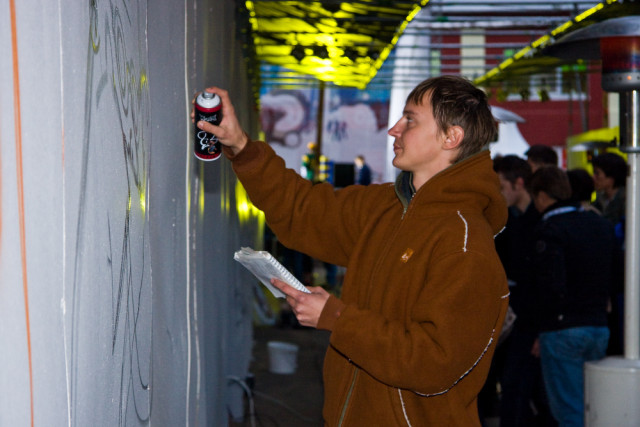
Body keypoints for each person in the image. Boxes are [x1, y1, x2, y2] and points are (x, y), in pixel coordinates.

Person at [195, 75, 509, 426]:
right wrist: (241, 146)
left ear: (451, 137)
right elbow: (303, 210)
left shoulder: (465, 246)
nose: (393, 129)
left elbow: (433, 362)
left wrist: (337, 318)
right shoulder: (385, 207)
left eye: (410, 120)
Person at [528, 166, 617, 427]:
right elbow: (616, 273)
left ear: (542, 196)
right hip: (598, 325)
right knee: (594, 405)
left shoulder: (549, 230)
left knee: (569, 410)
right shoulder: (600, 224)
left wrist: (543, 325)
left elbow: (550, 284)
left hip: (562, 328)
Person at [492, 155, 555, 427]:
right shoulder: (510, 222)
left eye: (502, 187)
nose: (499, 193)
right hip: (517, 319)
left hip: (532, 321)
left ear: (519, 183)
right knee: (518, 388)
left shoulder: (541, 223)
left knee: (522, 389)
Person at [591, 152, 628, 230]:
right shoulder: (599, 200)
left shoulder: (628, 202)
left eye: (597, 173)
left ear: (611, 177)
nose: (593, 177)